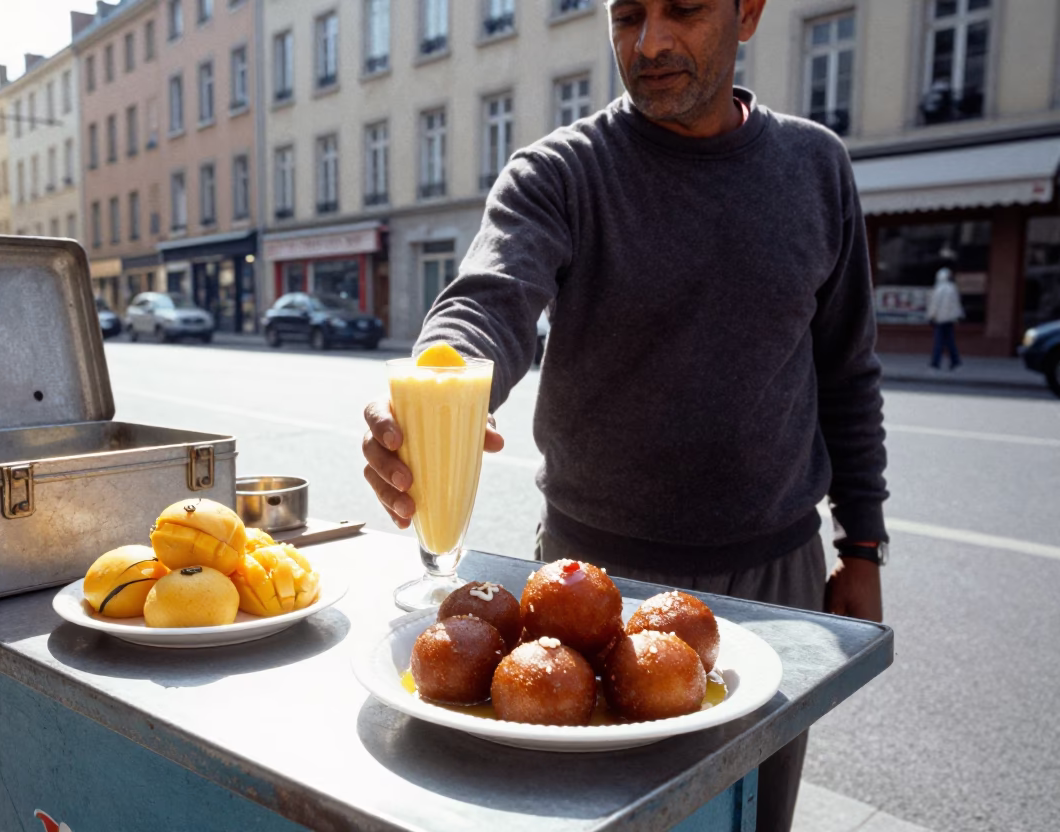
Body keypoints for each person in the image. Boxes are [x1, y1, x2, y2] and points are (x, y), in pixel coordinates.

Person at [361, 1, 888, 829]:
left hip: (778, 579)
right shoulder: (560, 173)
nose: (650, 44)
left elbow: (848, 370)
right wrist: (438, 391)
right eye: (628, 15)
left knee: (756, 815)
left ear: (747, 12)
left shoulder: (816, 168)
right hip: (587, 593)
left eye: (683, 9)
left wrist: (862, 544)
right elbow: (486, 303)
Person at [926, 266, 964, 371]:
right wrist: (958, 316)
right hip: (950, 320)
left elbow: (934, 305)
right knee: (951, 342)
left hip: (939, 320)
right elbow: (956, 305)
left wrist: (931, 316)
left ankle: (935, 364)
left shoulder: (938, 289)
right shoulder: (952, 288)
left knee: (938, 342)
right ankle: (955, 362)